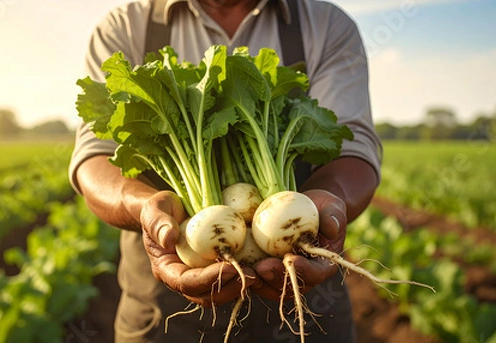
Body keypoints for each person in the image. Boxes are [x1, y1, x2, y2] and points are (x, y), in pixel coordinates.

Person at [69, 0, 382, 341]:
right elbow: (95, 157)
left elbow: (353, 147)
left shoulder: (326, 24)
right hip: (167, 312)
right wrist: (146, 209)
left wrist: (332, 202)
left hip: (305, 298)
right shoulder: (126, 26)